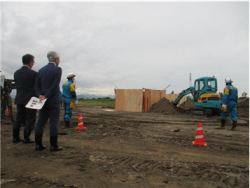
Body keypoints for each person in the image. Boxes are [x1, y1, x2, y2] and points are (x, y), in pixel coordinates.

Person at [34, 51, 63, 152]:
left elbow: (36, 85)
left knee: (41, 121)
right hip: (53, 99)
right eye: (59, 59)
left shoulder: (41, 70)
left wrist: (40, 95)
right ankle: (53, 145)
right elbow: (55, 85)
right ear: (56, 59)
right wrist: (46, 95)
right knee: (54, 122)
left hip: (42, 100)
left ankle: (38, 145)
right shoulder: (57, 69)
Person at [13, 54, 37, 143]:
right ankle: (26, 138)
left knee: (19, 117)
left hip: (19, 98)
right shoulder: (33, 73)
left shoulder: (16, 73)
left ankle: (15, 137)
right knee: (30, 118)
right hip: (30, 99)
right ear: (30, 63)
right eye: (33, 62)